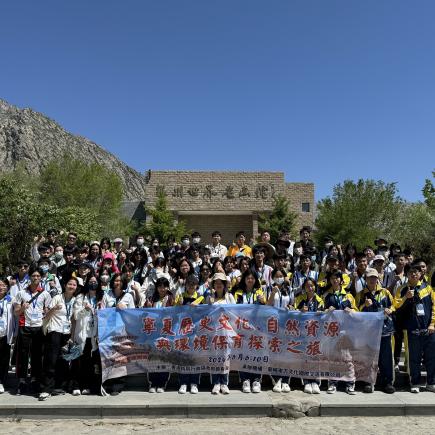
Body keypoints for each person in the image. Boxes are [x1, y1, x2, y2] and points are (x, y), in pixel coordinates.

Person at [394, 265, 435, 393]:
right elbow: (395, 305)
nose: (414, 274)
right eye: (411, 272)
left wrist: (432, 324)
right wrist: (406, 297)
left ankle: (431, 383)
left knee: (431, 358)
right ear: (407, 274)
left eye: (416, 272)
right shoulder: (402, 289)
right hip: (412, 330)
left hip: (429, 329)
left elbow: (434, 308)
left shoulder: (428, 289)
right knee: (414, 359)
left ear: (420, 274)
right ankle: (415, 383)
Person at [13, 266, 52, 395]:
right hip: (24, 326)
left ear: (41, 278)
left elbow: (48, 312)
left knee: (37, 355)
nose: (36, 278)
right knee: (22, 354)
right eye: (33, 276)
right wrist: (23, 308)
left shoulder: (45, 294)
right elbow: (16, 312)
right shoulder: (22, 293)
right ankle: (22, 381)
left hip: (39, 327)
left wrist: (46, 312)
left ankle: (35, 380)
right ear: (30, 277)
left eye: (38, 276)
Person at [39, 277, 79, 400]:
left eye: (74, 285)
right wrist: (54, 309)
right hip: (54, 331)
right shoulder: (57, 297)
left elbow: (73, 319)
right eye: (69, 284)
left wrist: (72, 336)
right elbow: (46, 315)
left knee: (63, 360)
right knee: (51, 360)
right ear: (65, 285)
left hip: (66, 333)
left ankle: (59, 386)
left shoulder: (75, 300)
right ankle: (46, 389)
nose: (71, 286)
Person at [358, 269, 395, 394]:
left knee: (386, 358)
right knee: (369, 358)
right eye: (369, 278)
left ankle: (387, 383)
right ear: (365, 279)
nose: (372, 280)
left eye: (374, 277)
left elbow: (393, 305)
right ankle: (369, 382)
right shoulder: (361, 294)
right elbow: (355, 311)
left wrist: (390, 310)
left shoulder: (385, 292)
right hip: (368, 332)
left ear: (378, 278)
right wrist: (364, 305)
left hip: (384, 330)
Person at [323, 271, 357, 395]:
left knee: (348, 358)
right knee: (333, 358)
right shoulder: (327, 295)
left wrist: (351, 310)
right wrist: (327, 310)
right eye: (332, 278)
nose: (334, 280)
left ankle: (350, 383)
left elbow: (357, 311)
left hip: (346, 330)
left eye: (337, 278)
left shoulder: (348, 295)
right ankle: (332, 383)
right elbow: (321, 312)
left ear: (341, 280)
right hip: (332, 331)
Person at [71, 275, 102, 396]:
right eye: (91, 281)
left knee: (91, 363)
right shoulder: (80, 297)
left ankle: (88, 386)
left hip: (95, 335)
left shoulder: (101, 297)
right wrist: (85, 309)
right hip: (82, 334)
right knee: (79, 361)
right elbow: (76, 316)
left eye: (95, 281)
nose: (93, 283)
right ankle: (77, 385)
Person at [234, 270, 265, 393]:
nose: (250, 280)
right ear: (244, 280)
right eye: (248, 278)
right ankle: (245, 379)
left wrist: (262, 301)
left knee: (257, 353)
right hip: (242, 328)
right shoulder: (238, 293)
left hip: (256, 329)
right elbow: (234, 309)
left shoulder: (259, 292)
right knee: (244, 354)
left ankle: (256, 380)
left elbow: (266, 306)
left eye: (252, 278)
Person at [206, 272, 235, 395]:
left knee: (225, 357)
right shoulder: (209, 298)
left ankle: (224, 383)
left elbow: (235, 313)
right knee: (214, 357)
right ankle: (216, 383)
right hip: (213, 332)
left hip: (226, 332)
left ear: (224, 285)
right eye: (216, 283)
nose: (218, 285)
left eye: (220, 283)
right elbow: (206, 315)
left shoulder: (229, 297)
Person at [295, 277, 324, 394]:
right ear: (304, 288)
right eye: (307, 286)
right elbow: (293, 313)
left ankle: (316, 382)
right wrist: (300, 311)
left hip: (316, 334)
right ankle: (307, 381)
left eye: (312, 285)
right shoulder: (299, 299)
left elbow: (323, 315)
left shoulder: (320, 300)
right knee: (305, 358)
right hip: (303, 333)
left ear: (315, 286)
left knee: (315, 358)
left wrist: (321, 313)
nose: (310, 288)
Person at [175, 275, 203, 394]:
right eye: (189, 283)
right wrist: (179, 304)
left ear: (197, 285)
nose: (191, 286)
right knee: (184, 358)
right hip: (183, 332)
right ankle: (183, 383)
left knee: (195, 358)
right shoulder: (181, 297)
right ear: (186, 285)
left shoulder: (201, 298)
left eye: (194, 284)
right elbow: (174, 313)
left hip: (196, 332)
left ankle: (194, 383)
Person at [146, 277, 174, 393]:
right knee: (153, 359)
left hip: (166, 333)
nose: (162, 289)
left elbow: (176, 313)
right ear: (157, 288)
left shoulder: (172, 299)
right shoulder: (151, 299)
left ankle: (162, 384)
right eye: (160, 286)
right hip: (153, 333)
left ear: (168, 287)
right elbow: (144, 314)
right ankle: (153, 383)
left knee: (164, 359)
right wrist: (147, 307)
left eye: (164, 286)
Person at [0, 277, 14, 394]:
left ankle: (2, 381)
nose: (1, 287)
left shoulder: (10, 300)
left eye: (3, 285)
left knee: (4, 359)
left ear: (7, 288)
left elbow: (14, 317)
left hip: (5, 334)